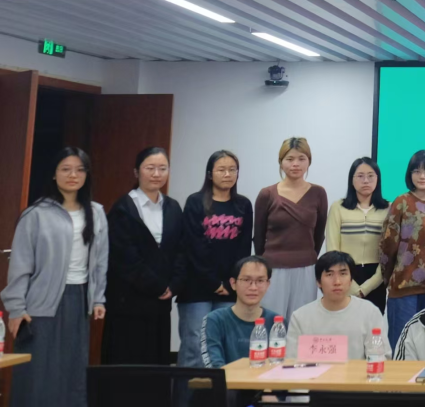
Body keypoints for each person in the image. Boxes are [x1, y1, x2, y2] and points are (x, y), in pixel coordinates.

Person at [4, 148, 107, 407]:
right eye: (65, 169)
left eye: (80, 170)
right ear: (54, 174)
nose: (73, 175)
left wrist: (98, 299)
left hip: (79, 299)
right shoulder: (36, 214)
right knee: (38, 374)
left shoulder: (96, 212)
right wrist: (16, 308)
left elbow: (100, 262)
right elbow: (20, 264)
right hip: (41, 303)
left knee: (72, 372)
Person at [103, 146, 184, 365]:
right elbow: (124, 257)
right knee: (127, 363)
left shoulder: (173, 207)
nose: (157, 174)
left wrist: (174, 285)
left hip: (161, 302)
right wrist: (156, 286)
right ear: (136, 172)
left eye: (162, 168)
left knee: (156, 364)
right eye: (150, 168)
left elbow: (180, 249)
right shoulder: (123, 208)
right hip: (128, 302)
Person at [176, 150, 253, 367]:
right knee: (194, 345)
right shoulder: (195, 202)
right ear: (210, 174)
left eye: (232, 170)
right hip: (196, 286)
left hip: (229, 287)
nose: (227, 174)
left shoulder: (243, 205)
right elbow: (193, 246)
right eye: (221, 170)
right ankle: (186, 390)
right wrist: (213, 282)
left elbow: (243, 248)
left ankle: (218, 390)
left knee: (222, 345)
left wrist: (231, 282)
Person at [255, 137, 327, 323]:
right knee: (272, 322)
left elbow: (319, 234)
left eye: (301, 158)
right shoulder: (267, 194)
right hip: (273, 268)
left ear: (309, 161)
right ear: (281, 162)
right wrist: (264, 266)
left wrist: (306, 255)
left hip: (306, 268)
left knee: (301, 322)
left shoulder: (318, 193)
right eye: (290, 159)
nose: (296, 164)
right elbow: (259, 236)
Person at [380, 150, 425, 345]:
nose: (422, 176)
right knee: (402, 344)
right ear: (409, 174)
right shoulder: (401, 202)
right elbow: (388, 244)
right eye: (416, 171)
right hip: (403, 287)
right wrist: (388, 278)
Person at [286, 251, 388, 360]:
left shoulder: (370, 313)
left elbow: (380, 358)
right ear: (318, 282)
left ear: (351, 280)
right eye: (329, 274)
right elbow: (290, 361)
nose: (337, 282)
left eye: (343, 274)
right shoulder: (300, 317)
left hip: (356, 371)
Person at [325, 157, 390, 313]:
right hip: (344, 276)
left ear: (378, 179)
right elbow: (332, 249)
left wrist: (369, 286)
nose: (365, 181)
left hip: (376, 278)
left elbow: (389, 253)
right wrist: (348, 282)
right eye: (360, 176)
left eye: (370, 176)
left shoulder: (388, 208)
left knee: (372, 324)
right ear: (351, 180)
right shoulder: (338, 208)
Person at [200, 256, 281, 368]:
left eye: (260, 281)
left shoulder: (277, 323)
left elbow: (283, 363)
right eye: (246, 280)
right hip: (226, 379)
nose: (253, 287)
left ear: (268, 284)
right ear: (233, 283)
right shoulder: (215, 320)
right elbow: (213, 365)